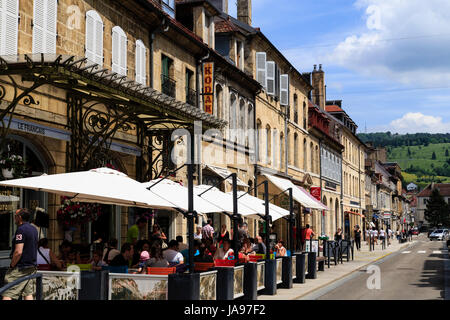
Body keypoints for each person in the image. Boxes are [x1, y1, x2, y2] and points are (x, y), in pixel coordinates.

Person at [2, 208, 38, 300]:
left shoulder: (21, 230)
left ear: (20, 217)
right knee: (28, 292)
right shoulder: (34, 229)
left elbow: (18, 252)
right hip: (31, 266)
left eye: (15, 216)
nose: (14, 218)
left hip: (20, 267)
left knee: (8, 292)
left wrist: (12, 265)